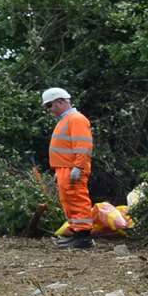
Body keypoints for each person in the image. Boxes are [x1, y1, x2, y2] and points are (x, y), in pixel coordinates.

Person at [41, 87, 95, 249]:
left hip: (73, 168)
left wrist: (78, 167)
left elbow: (83, 145)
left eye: (50, 106)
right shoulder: (66, 119)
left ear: (61, 102)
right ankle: (76, 234)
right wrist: (60, 170)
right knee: (69, 202)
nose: (49, 110)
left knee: (78, 200)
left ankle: (83, 237)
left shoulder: (76, 119)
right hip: (65, 168)